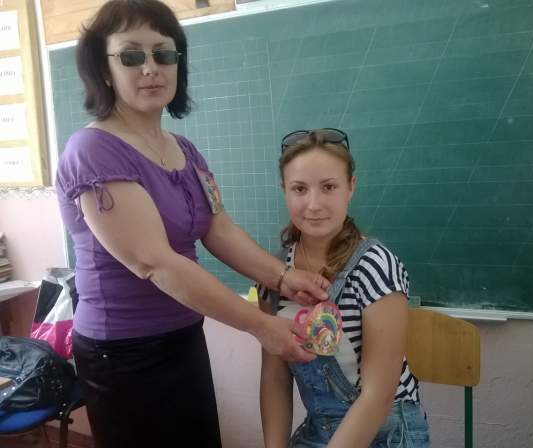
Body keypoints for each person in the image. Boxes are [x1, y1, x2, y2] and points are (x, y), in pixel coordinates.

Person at [54, 1, 330, 447]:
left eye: (163, 53)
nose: (151, 68)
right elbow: (154, 262)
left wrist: (282, 276)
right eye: (131, 55)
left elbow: (219, 229)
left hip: (182, 336)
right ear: (104, 69)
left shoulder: (184, 150)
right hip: (122, 354)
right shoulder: (93, 151)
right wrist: (261, 325)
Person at [258, 129, 431, 447]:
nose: (313, 205)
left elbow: (378, 395)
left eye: (328, 187)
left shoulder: (376, 266)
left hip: (387, 431)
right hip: (320, 429)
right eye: (299, 188)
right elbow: (274, 378)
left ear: (351, 186)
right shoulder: (275, 272)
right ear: (284, 190)